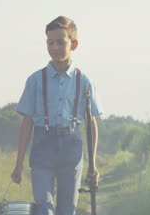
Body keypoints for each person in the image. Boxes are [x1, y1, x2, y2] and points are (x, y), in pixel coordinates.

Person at [11, 16, 101, 215]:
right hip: (43, 145)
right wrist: (18, 163)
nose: (54, 47)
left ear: (74, 44)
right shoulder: (35, 80)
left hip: (72, 146)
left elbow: (91, 123)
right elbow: (26, 123)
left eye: (61, 42)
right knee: (44, 207)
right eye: (50, 42)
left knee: (67, 209)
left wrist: (93, 165)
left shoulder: (84, 81)